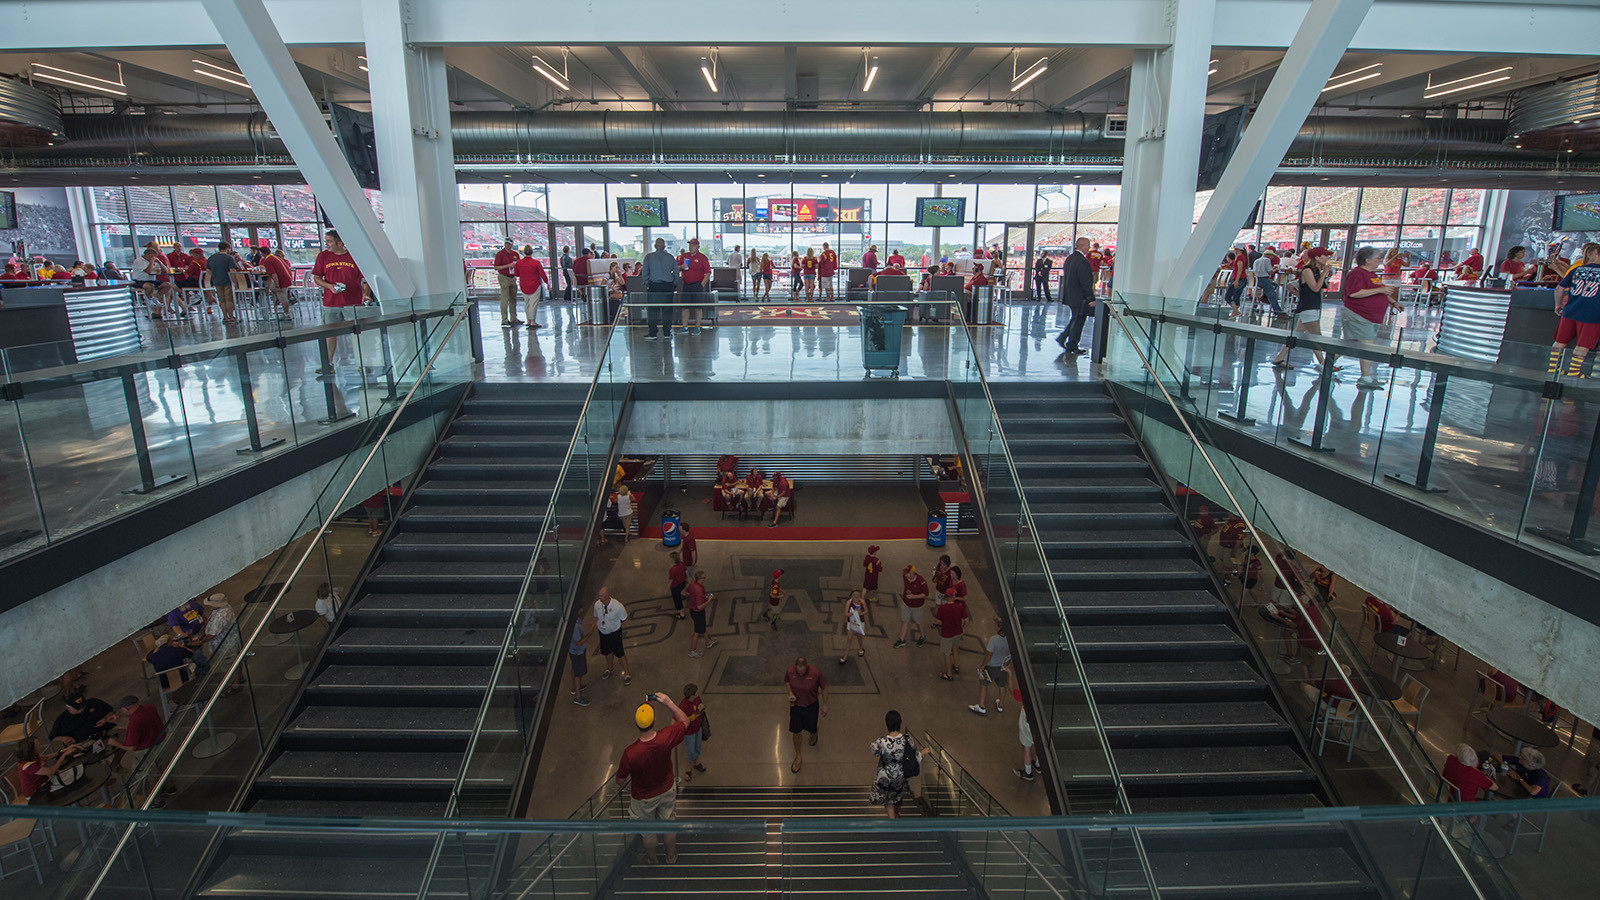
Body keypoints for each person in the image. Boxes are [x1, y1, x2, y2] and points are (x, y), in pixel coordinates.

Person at [615, 692, 690, 864]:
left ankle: (653, 860)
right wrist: (669, 701)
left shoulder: (630, 753)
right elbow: (685, 721)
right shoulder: (666, 737)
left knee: (648, 832)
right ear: (654, 721)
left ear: (636, 724)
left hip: (643, 798)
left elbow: (619, 780)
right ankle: (671, 857)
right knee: (669, 826)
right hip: (667, 789)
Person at [1342, 246, 1404, 389]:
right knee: (1367, 345)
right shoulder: (1357, 274)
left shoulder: (1372, 274)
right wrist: (1380, 290)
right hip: (1358, 315)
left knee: (1351, 344)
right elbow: (1354, 293)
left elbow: (1381, 291)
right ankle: (1365, 377)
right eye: (1377, 258)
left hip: (1371, 316)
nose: (1380, 261)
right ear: (1367, 260)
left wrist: (1393, 302)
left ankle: (1326, 364)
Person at [311, 230, 371, 375]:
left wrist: (366, 294)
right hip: (331, 303)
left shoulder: (354, 256)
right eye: (326, 241)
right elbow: (317, 278)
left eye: (330, 241)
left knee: (358, 334)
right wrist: (329, 286)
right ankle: (328, 364)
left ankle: (362, 364)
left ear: (340, 243)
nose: (327, 244)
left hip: (353, 302)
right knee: (330, 334)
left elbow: (367, 277)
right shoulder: (323, 256)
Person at [1272, 249, 1335, 370]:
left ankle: (1280, 357)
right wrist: (1324, 273)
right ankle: (1325, 364)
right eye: (1325, 256)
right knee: (1316, 337)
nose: (1327, 258)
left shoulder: (1315, 270)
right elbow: (1315, 288)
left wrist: (1324, 275)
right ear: (1317, 257)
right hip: (1308, 307)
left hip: (1312, 306)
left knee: (1297, 334)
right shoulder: (1307, 270)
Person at [1550, 242, 1600, 377]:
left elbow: (1559, 289)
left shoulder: (1577, 269)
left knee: (1560, 341)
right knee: (1583, 345)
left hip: (1570, 311)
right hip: (1592, 314)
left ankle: (1553, 368)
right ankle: (1574, 372)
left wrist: (1558, 305)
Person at [869, 710, 919, 818]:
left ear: (887, 724)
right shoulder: (907, 739)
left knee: (888, 798)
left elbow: (874, 750)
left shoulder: (882, 741)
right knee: (898, 796)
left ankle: (892, 819)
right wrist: (922, 754)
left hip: (886, 776)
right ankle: (897, 813)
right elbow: (914, 755)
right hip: (901, 775)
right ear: (900, 723)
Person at [784, 656, 828, 773]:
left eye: (803, 671)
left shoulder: (816, 673)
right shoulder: (790, 671)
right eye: (798, 671)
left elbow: (824, 688)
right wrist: (790, 693)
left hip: (811, 706)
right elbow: (787, 681)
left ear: (807, 667)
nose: (800, 673)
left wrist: (825, 704)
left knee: (812, 728)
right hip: (796, 707)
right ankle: (798, 757)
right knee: (796, 731)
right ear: (795, 667)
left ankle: (814, 733)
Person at [1054, 237, 1095, 354]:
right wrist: (1091, 298)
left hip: (1071, 296)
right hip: (1080, 297)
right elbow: (1085, 282)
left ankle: (1067, 341)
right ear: (1081, 246)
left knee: (1076, 318)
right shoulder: (1082, 261)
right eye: (1088, 245)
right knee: (1078, 320)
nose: (1089, 247)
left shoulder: (1070, 259)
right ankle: (1070, 343)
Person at [105, 695, 163, 778]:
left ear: (126, 709)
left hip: (145, 751)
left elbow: (131, 747)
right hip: (160, 743)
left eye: (122, 709)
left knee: (148, 775)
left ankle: (153, 790)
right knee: (162, 768)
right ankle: (170, 789)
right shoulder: (150, 707)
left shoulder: (133, 724)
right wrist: (119, 717)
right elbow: (140, 718)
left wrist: (115, 743)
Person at [15, 738, 85, 799]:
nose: (39, 743)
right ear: (31, 749)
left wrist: (63, 751)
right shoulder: (28, 766)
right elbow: (52, 771)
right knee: (71, 780)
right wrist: (64, 755)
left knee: (71, 774)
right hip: (36, 793)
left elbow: (46, 757)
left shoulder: (32, 756)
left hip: (45, 782)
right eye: (37, 744)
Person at [969, 619, 1012, 715]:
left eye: (996, 623)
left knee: (983, 684)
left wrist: (982, 666)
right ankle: (1000, 705)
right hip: (1003, 667)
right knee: (1002, 686)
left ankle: (981, 706)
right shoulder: (1010, 638)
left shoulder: (993, 639)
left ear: (999, 627)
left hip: (991, 667)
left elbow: (988, 655)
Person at [49, 692, 116, 749]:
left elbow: (111, 711)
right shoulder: (62, 720)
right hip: (83, 742)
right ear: (68, 708)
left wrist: (105, 718)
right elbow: (52, 737)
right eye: (77, 709)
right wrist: (64, 738)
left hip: (105, 732)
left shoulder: (93, 702)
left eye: (83, 706)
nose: (81, 710)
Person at [641, 237, 677, 340]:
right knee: (667, 310)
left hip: (654, 286)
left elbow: (645, 272)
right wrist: (673, 283)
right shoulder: (670, 257)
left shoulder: (648, 257)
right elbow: (676, 272)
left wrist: (647, 284)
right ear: (665, 246)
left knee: (653, 310)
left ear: (655, 246)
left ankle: (653, 333)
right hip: (667, 286)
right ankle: (667, 333)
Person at [933, 589, 969, 681]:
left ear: (945, 597)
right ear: (952, 597)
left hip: (947, 634)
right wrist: (963, 628)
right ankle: (956, 666)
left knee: (947, 654)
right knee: (956, 649)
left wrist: (940, 622)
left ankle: (949, 674)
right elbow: (966, 620)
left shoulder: (942, 608)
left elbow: (937, 621)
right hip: (957, 633)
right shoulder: (960, 607)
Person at [203, 241, 241, 323]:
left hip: (217, 281)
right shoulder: (229, 258)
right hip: (227, 281)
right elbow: (232, 271)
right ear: (227, 248)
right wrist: (235, 283)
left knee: (222, 300)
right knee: (229, 300)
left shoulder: (211, 258)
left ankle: (225, 317)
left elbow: (208, 272)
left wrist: (207, 284)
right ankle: (231, 317)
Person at [894, 564, 930, 649]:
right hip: (906, 603)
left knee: (919, 622)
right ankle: (902, 639)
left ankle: (922, 636)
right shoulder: (905, 577)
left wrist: (914, 596)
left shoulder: (922, 581)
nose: (905, 575)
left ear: (913, 574)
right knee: (905, 621)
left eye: (907, 574)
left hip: (917, 606)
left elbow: (926, 594)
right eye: (905, 573)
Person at [513, 245, 548, 329]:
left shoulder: (519, 263)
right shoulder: (536, 263)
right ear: (532, 252)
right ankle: (532, 321)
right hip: (534, 285)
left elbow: (516, 274)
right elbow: (542, 274)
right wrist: (547, 283)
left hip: (523, 285)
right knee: (533, 303)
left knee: (527, 303)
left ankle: (528, 320)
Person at [686, 570, 719, 657]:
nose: (705, 579)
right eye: (704, 578)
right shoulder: (699, 589)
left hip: (692, 611)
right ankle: (692, 651)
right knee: (697, 632)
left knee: (702, 627)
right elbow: (700, 607)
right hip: (698, 613)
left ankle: (709, 641)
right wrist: (709, 599)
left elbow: (686, 592)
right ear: (700, 579)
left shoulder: (693, 583)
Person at [680, 683, 707, 782]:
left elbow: (700, 704)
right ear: (691, 695)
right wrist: (692, 717)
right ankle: (688, 770)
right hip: (689, 732)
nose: (698, 693)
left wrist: (701, 708)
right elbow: (682, 720)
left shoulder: (697, 698)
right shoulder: (683, 706)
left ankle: (696, 763)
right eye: (696, 692)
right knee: (690, 751)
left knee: (697, 746)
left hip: (697, 728)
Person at [493, 238, 520, 327]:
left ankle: (513, 318)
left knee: (513, 298)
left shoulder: (515, 254)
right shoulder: (500, 254)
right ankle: (504, 319)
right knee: (505, 298)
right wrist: (508, 265)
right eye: (506, 244)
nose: (508, 245)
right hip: (504, 277)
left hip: (512, 277)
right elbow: (496, 267)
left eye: (509, 244)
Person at [840, 589, 870, 664]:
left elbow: (866, 611)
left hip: (860, 622)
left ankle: (861, 648)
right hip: (851, 622)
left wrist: (861, 613)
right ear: (852, 598)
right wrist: (852, 613)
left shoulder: (862, 602)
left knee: (859, 636)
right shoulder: (848, 602)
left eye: (858, 600)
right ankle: (845, 656)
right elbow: (846, 614)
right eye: (855, 600)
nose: (856, 602)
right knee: (849, 638)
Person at [1251, 247, 1284, 315]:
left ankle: (1263, 296)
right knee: (1272, 295)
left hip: (1257, 280)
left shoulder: (1257, 260)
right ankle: (1278, 311)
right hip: (1264, 279)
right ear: (1269, 256)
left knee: (1275, 285)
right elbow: (1270, 272)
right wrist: (1275, 270)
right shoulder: (1267, 260)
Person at [568, 616, 592, 707]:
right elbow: (579, 642)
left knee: (574, 668)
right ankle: (578, 697)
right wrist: (590, 633)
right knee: (578, 674)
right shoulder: (574, 625)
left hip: (573, 651)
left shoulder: (575, 620)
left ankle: (575, 687)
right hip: (577, 653)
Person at [668, 551, 689, 619]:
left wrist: (666, 588)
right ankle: (683, 595)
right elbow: (686, 572)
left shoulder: (672, 569)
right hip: (682, 583)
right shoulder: (682, 564)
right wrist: (686, 580)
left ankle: (681, 613)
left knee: (677, 600)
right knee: (679, 595)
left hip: (675, 586)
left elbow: (671, 580)